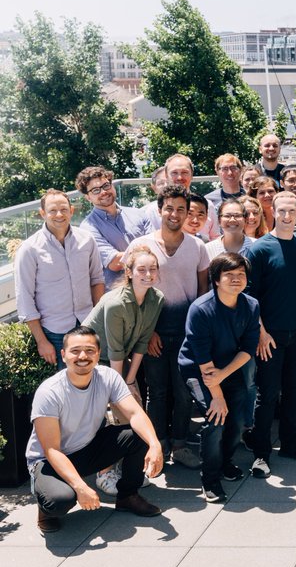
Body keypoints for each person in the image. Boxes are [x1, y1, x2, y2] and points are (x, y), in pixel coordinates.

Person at [27, 327, 164, 534]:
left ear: (99, 354)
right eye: (75, 351)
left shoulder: (107, 376)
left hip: (87, 448)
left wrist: (155, 445)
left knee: (139, 435)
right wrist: (81, 488)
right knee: (60, 500)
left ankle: (127, 496)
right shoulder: (49, 392)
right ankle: (45, 508)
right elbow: (52, 450)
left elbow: (135, 414)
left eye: (90, 350)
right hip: (49, 461)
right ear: (63, 355)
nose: (83, 356)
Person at [131, 185, 210, 469]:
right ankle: (159, 444)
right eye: (169, 208)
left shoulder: (198, 246)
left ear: (188, 213)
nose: (175, 214)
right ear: (159, 210)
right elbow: (133, 294)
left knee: (183, 390)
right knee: (157, 391)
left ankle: (180, 444)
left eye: (181, 209)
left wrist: (198, 333)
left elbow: (202, 293)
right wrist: (147, 331)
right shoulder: (141, 246)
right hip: (152, 334)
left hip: (186, 333)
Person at [245, 191, 296, 476]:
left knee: (292, 392)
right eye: (282, 211)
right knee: (267, 394)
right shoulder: (260, 248)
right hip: (270, 335)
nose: (287, 216)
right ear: (272, 212)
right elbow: (250, 297)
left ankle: (289, 443)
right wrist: (261, 333)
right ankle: (261, 453)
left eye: (292, 211)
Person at [82, 244, 164, 496]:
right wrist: (121, 390)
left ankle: (127, 469)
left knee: (132, 412)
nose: (148, 274)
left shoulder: (156, 298)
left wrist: (130, 381)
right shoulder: (116, 303)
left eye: (152, 269)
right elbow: (114, 349)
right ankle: (104, 473)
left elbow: (141, 342)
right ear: (129, 272)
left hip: (121, 362)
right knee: (106, 417)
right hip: (93, 362)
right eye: (141, 269)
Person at [178, 252, 260, 502]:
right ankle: (210, 479)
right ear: (216, 279)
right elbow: (203, 361)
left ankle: (225, 462)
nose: (236, 279)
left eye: (241, 275)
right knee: (216, 419)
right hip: (198, 369)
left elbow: (248, 349)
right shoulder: (201, 309)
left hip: (228, 367)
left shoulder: (251, 305)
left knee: (236, 421)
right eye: (229, 275)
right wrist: (217, 396)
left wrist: (224, 375)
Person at [16, 189, 105, 367]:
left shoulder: (86, 240)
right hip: (55, 333)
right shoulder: (30, 249)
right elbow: (25, 298)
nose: (59, 214)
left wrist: (98, 321)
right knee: (66, 389)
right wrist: (42, 341)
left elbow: (97, 280)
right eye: (52, 210)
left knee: (95, 381)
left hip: (88, 324)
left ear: (71, 211)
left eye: (64, 209)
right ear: (42, 214)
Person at [77, 166, 151, 289]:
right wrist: (146, 252)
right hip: (119, 297)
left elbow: (157, 248)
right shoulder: (88, 228)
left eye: (106, 185)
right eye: (95, 190)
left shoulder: (139, 214)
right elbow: (114, 263)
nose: (103, 192)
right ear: (88, 197)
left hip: (149, 289)